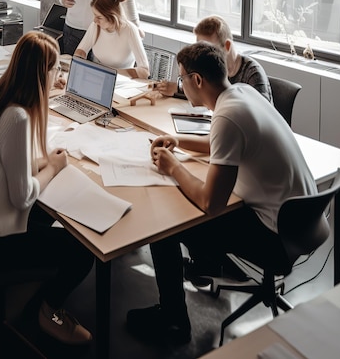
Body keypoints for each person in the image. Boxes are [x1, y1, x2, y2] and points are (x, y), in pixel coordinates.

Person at [125, 41, 316, 345]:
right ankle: (204, 266)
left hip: (275, 238)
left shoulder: (226, 117)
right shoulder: (242, 94)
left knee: (164, 225)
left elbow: (209, 203)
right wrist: (179, 140)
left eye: (181, 78)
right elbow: (225, 144)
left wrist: (173, 166)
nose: (180, 85)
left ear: (197, 80)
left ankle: (174, 321)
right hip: (306, 220)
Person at [0, 32, 95, 345]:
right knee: (83, 249)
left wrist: (43, 162)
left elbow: (14, 160)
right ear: (43, 72)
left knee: (55, 222)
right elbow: (22, 197)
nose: (59, 76)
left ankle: (38, 303)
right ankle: (47, 310)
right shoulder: (17, 118)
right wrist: (54, 167)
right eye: (56, 69)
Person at [155, 15, 273, 103]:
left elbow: (261, 115)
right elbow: (204, 91)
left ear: (227, 46)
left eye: (208, 49)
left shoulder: (253, 73)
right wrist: (177, 88)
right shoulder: (209, 67)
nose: (201, 55)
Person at [74, 0, 149, 76]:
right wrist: (78, 61)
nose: (94, 20)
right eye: (94, 15)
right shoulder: (96, 26)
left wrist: (112, 73)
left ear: (112, 17)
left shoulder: (130, 30)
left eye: (99, 17)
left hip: (123, 83)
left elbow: (144, 71)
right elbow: (81, 51)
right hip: (98, 77)